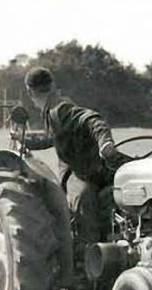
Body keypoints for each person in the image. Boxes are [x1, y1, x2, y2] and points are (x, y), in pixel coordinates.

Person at [20, 67, 127, 262]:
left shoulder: (60, 108)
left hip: (86, 170)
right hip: (84, 170)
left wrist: (105, 143)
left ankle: (93, 257)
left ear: (29, 92)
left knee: (84, 198)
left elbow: (93, 120)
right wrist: (26, 142)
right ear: (52, 85)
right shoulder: (52, 109)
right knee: (82, 197)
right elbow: (54, 138)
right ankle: (86, 261)